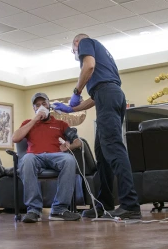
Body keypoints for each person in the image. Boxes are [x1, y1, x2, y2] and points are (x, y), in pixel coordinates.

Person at [54, 34, 141, 220]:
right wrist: (71, 108)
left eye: (74, 50)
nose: (76, 54)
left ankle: (130, 205)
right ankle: (105, 205)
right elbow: (95, 96)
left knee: (114, 148)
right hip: (110, 95)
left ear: (76, 43)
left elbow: (89, 66)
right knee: (102, 154)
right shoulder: (106, 58)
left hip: (108, 96)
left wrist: (76, 91)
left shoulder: (86, 42)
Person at [12, 93, 83, 223]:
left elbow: (78, 142)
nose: (41, 107)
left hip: (55, 156)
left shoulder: (60, 123)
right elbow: (15, 138)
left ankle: (59, 210)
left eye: (44, 104)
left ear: (49, 105)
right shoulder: (28, 123)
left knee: (69, 160)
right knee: (27, 160)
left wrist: (69, 147)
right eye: (37, 105)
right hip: (35, 157)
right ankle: (34, 210)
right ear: (34, 108)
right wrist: (35, 119)